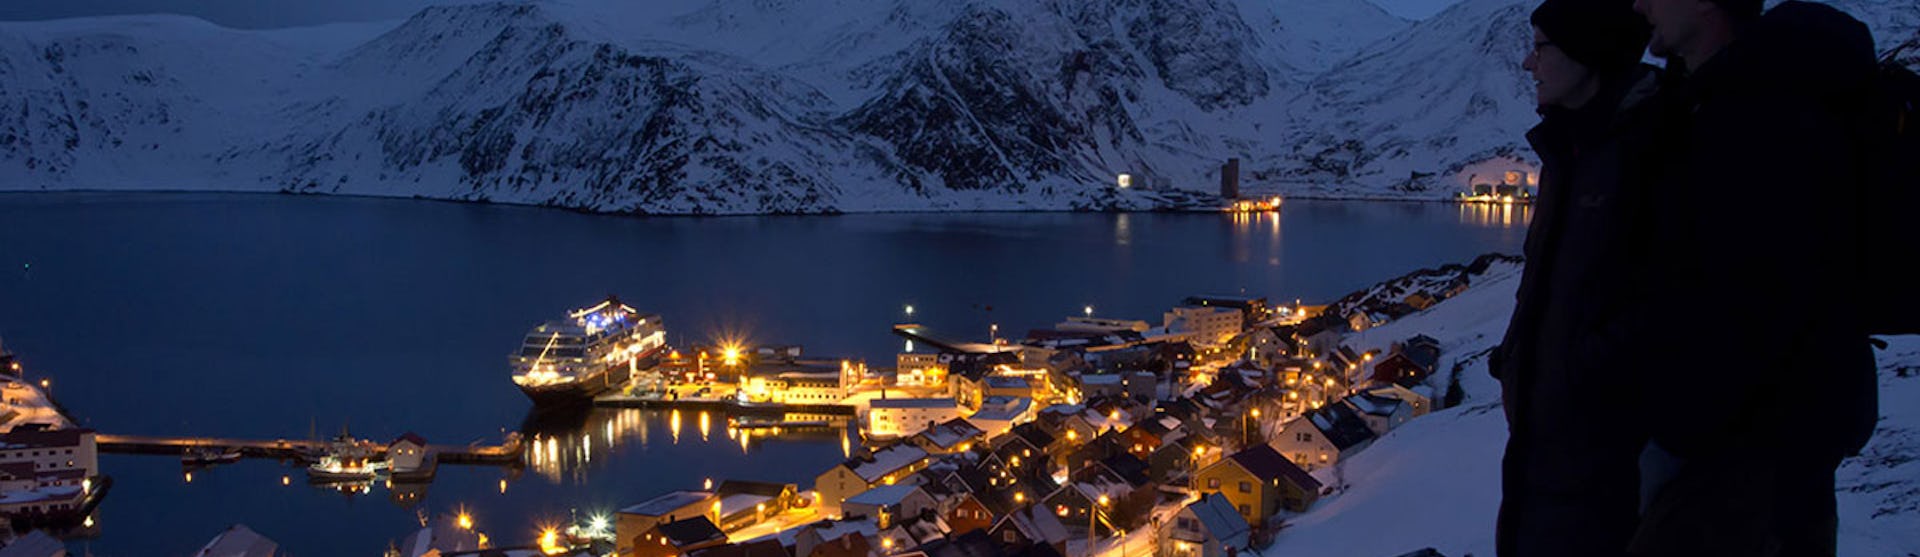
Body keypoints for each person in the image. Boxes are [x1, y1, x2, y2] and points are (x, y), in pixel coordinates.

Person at [1625, 0, 1880, 555]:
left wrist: (1681, 424)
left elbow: (1762, 291)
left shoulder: (1762, 113)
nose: (1639, 3)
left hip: (1743, 450)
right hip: (1746, 441)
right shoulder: (1716, 102)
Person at [1490, 1, 1659, 555]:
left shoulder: (1649, 150)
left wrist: (1580, 377)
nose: (1527, 63)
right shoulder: (1573, 150)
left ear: (1589, 54)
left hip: (1603, 455)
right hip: (1549, 445)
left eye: (1541, 46)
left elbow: (1667, 303)